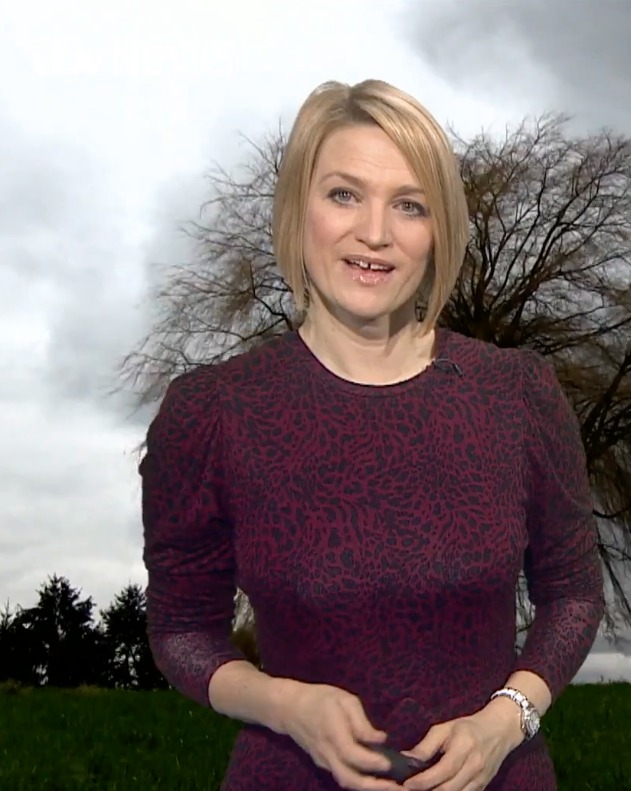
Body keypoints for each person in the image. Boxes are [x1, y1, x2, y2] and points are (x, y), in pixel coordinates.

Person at [140, 78, 606, 791]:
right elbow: (180, 629)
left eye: (409, 205)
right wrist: (284, 705)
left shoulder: (518, 395)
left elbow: (573, 594)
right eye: (344, 195)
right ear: (298, 210)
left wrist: (505, 721)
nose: (376, 233)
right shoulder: (214, 412)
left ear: (438, 231)